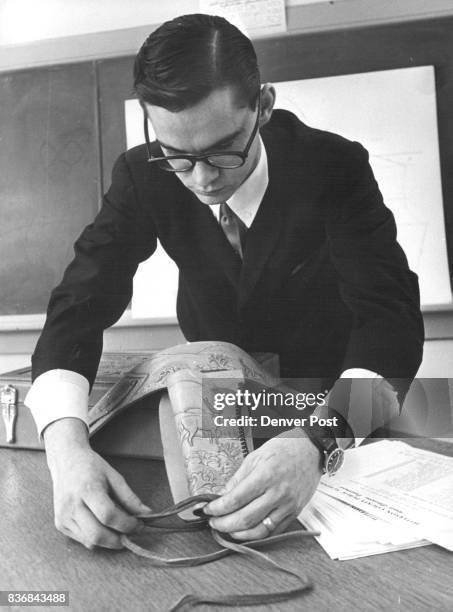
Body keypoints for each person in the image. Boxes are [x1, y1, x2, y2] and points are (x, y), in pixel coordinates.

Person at [25, 13, 424, 550]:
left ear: (262, 104)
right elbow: (81, 300)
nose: (204, 178)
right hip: (219, 403)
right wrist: (66, 452)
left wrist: (316, 439)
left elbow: (391, 320)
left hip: (331, 400)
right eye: (179, 157)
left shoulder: (334, 165)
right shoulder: (142, 175)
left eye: (223, 149)